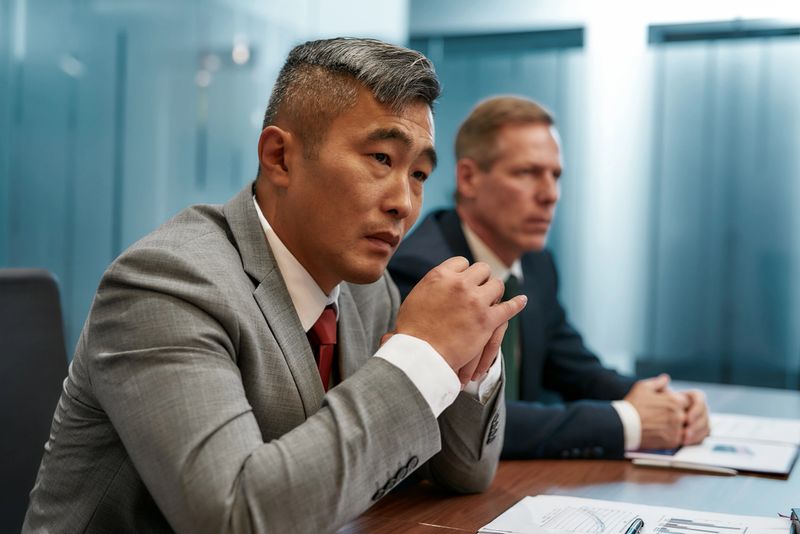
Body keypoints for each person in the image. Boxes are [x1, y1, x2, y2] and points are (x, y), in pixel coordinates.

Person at [22, 39, 526, 533]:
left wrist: (463, 366)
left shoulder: (367, 289)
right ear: (280, 157)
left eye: (418, 174)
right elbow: (233, 517)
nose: (404, 203)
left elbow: (464, 474)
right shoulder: (165, 284)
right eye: (380, 159)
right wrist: (419, 357)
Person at [388, 96, 710, 460]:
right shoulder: (424, 270)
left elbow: (574, 367)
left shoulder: (537, 264)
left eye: (555, 175)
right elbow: (460, 423)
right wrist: (625, 422)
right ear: (469, 178)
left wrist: (663, 402)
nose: (550, 194)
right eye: (527, 173)